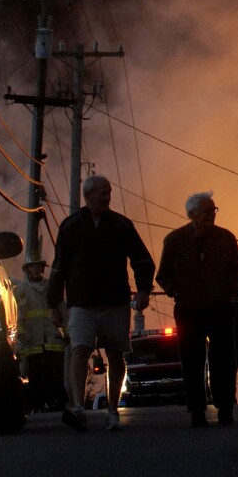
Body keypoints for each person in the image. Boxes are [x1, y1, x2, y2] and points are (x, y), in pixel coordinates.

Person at [47, 174, 155, 432]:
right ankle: (77, 408)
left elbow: (142, 260)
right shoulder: (70, 226)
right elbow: (59, 268)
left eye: (108, 193)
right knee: (80, 350)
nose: (106, 197)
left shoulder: (121, 225)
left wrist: (142, 291)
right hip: (81, 303)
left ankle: (112, 410)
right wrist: (54, 304)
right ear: (88, 196)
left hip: (115, 301)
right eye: (101, 193)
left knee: (116, 353)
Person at [155, 190, 238, 427]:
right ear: (192, 214)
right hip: (188, 309)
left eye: (213, 211)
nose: (211, 216)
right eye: (206, 211)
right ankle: (197, 410)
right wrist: (175, 292)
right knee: (192, 359)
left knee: (224, 358)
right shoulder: (174, 240)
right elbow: (163, 275)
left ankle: (225, 407)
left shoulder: (226, 238)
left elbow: (237, 269)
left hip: (220, 307)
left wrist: (233, 289)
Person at [11, 259, 65, 413]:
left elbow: (63, 309)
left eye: (39, 267)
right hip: (31, 340)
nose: (37, 270)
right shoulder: (20, 290)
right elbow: (18, 316)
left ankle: (55, 402)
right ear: (27, 269)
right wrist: (21, 334)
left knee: (54, 372)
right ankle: (37, 404)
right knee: (34, 374)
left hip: (52, 338)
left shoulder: (51, 287)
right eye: (33, 267)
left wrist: (65, 332)